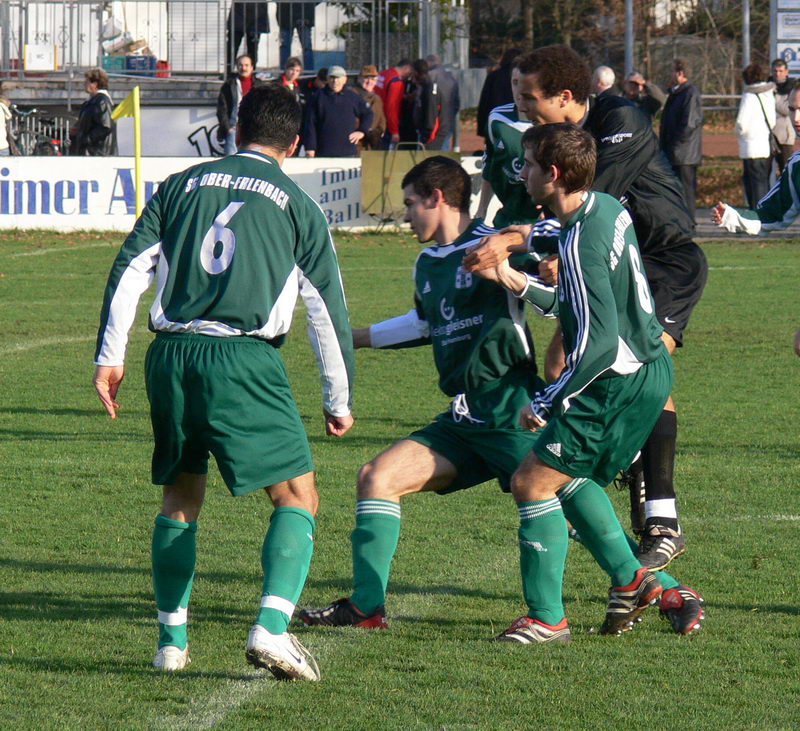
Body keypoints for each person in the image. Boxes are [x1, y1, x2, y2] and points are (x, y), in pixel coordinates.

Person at [299, 155, 703, 637]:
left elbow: (562, 258)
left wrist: (546, 268)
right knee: (376, 477)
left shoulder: (494, 244)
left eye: (411, 204)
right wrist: (356, 337)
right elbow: (426, 324)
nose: (407, 215)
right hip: (464, 417)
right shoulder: (427, 263)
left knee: (564, 490)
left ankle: (658, 588)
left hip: (511, 404)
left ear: (438, 198)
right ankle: (367, 606)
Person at [92, 84, 355, 680]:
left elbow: (130, 266)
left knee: (180, 498)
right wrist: (338, 398)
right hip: (242, 359)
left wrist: (110, 356)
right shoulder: (296, 203)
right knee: (297, 495)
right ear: (293, 144)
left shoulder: (181, 185)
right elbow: (326, 308)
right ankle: (272, 629)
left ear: (236, 131)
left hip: (171, 355)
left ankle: (171, 644)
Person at [464, 45, 709, 570]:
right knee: (562, 363)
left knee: (640, 364)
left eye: (530, 98)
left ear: (566, 97)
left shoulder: (620, 119)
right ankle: (596, 486)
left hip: (663, 261)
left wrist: (519, 239)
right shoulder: (551, 140)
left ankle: (661, 518)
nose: (523, 108)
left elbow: (595, 206)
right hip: (613, 262)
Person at [477, 122, 676, 643]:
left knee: (532, 481)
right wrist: (512, 275)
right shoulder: (603, 207)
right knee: (563, 480)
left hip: (616, 378)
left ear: (555, 173)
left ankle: (549, 619)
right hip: (647, 370)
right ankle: (641, 584)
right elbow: (574, 307)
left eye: (529, 164)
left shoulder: (581, 241)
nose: (521, 172)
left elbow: (598, 343)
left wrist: (548, 398)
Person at [712, 79, 800, 237]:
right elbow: (772, 214)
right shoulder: (797, 166)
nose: (796, 118)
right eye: (792, 110)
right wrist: (733, 216)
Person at [476, 55, 543, 228]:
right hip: (508, 216)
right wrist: (481, 209)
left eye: (523, 83)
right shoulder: (497, 119)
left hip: (542, 221)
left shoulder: (550, 123)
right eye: (514, 82)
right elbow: (490, 165)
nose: (519, 90)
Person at [660, 58, 703, 221]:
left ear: (680, 73)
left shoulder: (690, 92)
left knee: (686, 190)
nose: (669, 74)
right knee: (676, 191)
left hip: (684, 154)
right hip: (675, 153)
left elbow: (689, 123)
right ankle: (680, 222)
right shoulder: (675, 92)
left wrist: (674, 144)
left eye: (672, 70)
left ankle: (689, 223)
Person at [303, 65, 373, 157]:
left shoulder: (352, 97)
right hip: (323, 151)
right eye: (332, 77)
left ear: (345, 79)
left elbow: (368, 114)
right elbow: (310, 123)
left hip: (348, 152)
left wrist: (362, 131)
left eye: (338, 78)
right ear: (327, 79)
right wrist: (310, 147)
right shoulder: (318, 97)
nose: (335, 81)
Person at [736, 63, 776, 210]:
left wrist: (739, 133)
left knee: (752, 184)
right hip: (763, 145)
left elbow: (741, 122)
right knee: (762, 181)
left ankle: (757, 214)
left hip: (750, 146)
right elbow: (772, 121)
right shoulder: (769, 93)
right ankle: (764, 211)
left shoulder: (749, 96)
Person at [216, 55, 264, 156]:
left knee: (253, 162)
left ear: (252, 67)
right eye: (240, 65)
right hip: (234, 129)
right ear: (237, 67)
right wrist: (228, 128)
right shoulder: (228, 85)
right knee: (230, 163)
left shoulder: (260, 86)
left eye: (246, 65)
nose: (244, 68)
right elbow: (222, 109)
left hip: (254, 131)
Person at [477, 48, 522, 141]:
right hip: (516, 119)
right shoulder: (523, 77)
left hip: (496, 119)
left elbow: (484, 102)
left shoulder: (494, 76)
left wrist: (482, 128)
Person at [73, 68, 117, 156]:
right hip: (92, 151)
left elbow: (105, 126)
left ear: (95, 84)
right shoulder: (92, 101)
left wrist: (86, 139)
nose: (84, 84)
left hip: (97, 152)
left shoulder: (101, 101)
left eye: (87, 81)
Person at [426, 54, 460, 150]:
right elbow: (457, 102)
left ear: (430, 62)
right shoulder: (451, 78)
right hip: (448, 119)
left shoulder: (430, 76)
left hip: (433, 121)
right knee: (444, 145)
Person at [376, 59, 413, 147]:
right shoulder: (396, 82)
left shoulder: (382, 74)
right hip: (386, 122)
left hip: (376, 119)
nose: (409, 76)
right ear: (406, 68)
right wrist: (394, 131)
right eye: (410, 73)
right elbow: (392, 107)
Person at [769, 59, 796, 172]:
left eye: (780, 71)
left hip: (785, 136)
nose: (777, 74)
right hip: (768, 135)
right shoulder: (767, 85)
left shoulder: (792, 87)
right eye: (775, 71)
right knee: (764, 173)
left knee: (786, 171)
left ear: (786, 72)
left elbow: (787, 109)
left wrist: (772, 97)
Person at [227, 1, 269, 70]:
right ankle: (229, 72)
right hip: (239, 14)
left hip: (257, 14)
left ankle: (251, 72)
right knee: (232, 46)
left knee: (253, 48)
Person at [278, 1, 318, 71]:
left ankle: (309, 71)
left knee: (306, 48)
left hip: (303, 14)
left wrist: (309, 4)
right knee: (285, 47)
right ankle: (284, 71)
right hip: (286, 14)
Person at [354, 64, 386, 150]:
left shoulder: (377, 98)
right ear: (359, 79)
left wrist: (379, 132)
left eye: (372, 79)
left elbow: (381, 120)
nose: (369, 82)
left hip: (372, 145)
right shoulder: (352, 96)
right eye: (366, 78)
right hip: (357, 145)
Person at [410, 58, 441, 147]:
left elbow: (431, 108)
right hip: (423, 128)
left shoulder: (428, 87)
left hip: (427, 130)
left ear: (416, 72)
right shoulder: (423, 85)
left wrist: (428, 130)